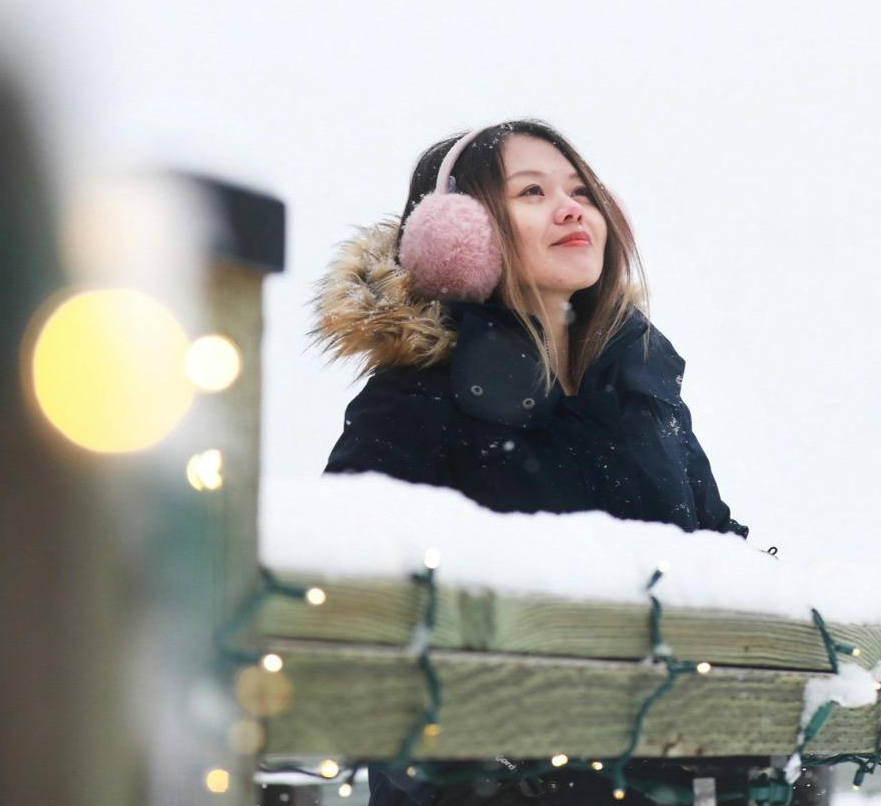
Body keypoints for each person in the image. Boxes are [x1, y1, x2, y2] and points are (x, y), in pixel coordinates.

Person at [313, 120, 748, 806]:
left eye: (581, 192)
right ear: (459, 236)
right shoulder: (414, 398)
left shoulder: (647, 396)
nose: (571, 210)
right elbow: (351, 596)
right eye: (532, 193)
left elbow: (716, 556)